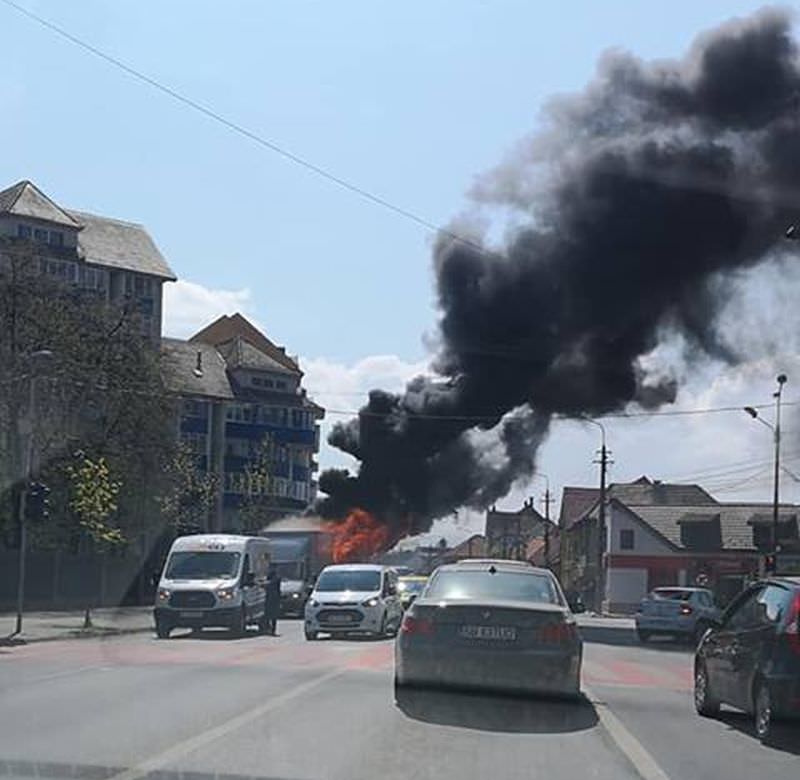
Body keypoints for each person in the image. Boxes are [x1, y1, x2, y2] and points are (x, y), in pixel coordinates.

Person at [264, 565, 281, 635]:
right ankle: (268, 629)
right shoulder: (268, 577)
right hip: (268, 599)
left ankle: (273, 630)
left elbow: (270, 584)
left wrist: (263, 584)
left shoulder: (277, 578)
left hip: (274, 599)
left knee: (273, 616)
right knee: (267, 615)